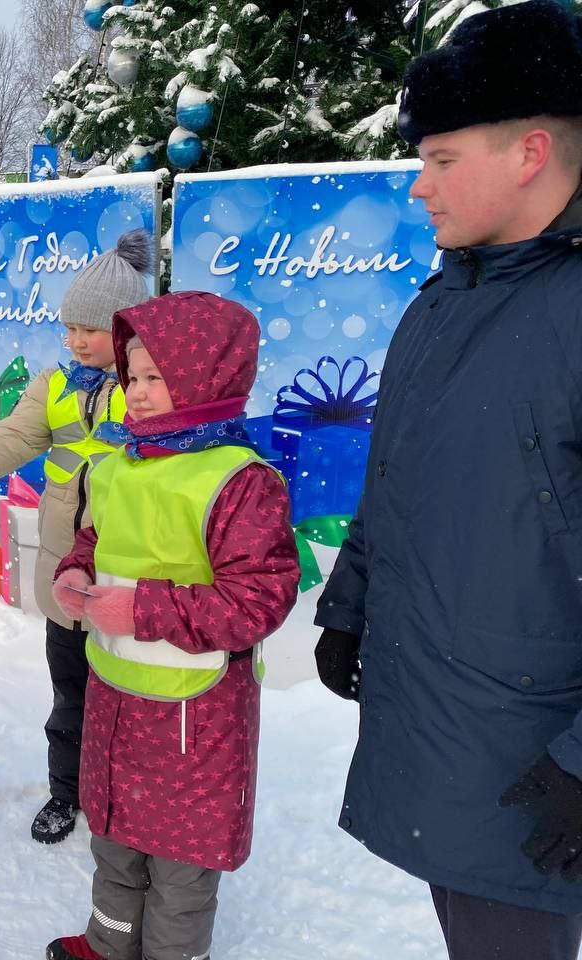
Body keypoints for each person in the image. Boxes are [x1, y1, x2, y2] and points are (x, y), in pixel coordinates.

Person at [312, 4, 582, 958]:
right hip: (452, 730)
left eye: (441, 158)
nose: (419, 186)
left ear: (530, 151)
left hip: (539, 764)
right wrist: (351, 605)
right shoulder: (445, 299)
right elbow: (397, 481)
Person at [45, 291, 300, 960]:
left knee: (181, 867)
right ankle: (109, 944)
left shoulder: (240, 482)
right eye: (134, 376)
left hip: (197, 717)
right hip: (116, 700)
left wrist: (144, 610)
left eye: (159, 375)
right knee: (115, 842)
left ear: (207, 376)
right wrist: (74, 574)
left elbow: (259, 601)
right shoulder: (117, 466)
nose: (141, 391)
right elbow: (94, 541)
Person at [0, 230, 152, 844]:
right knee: (71, 699)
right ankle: (67, 793)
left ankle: (129, 800)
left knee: (136, 698)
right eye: (67, 328)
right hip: (68, 571)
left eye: (86, 329)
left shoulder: (154, 383)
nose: (72, 340)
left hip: (136, 572)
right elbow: (9, 442)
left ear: (123, 327)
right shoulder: (55, 384)